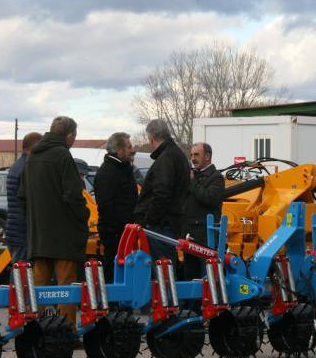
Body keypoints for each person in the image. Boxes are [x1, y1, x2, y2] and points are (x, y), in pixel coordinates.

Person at [19, 116, 89, 330]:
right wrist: (83, 214)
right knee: (65, 286)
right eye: (74, 138)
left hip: (38, 236)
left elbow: (22, 196)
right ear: (69, 136)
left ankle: (34, 327)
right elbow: (73, 194)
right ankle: (65, 330)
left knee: (39, 285)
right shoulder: (62, 155)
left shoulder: (31, 157)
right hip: (63, 237)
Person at [134, 119, 190, 263]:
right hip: (171, 221)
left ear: (151, 137)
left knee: (162, 270)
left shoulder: (165, 158)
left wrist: (150, 221)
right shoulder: (177, 155)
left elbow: (162, 193)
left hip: (161, 225)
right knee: (166, 268)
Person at [94, 132, 138, 278]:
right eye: (129, 146)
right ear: (119, 150)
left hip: (125, 231)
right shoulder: (108, 172)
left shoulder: (123, 169)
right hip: (115, 234)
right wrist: (118, 228)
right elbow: (106, 205)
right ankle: (112, 301)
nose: (133, 150)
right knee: (114, 273)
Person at [182, 142, 224, 279]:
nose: (193, 158)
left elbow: (210, 199)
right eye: (191, 155)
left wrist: (193, 183)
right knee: (190, 274)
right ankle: (192, 301)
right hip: (190, 235)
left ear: (207, 156)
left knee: (206, 277)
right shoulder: (192, 175)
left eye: (196, 155)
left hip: (206, 237)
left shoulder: (216, 177)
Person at [5, 131, 41, 262]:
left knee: (18, 269)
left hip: (14, 227)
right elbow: (27, 200)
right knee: (22, 272)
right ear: (35, 147)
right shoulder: (28, 167)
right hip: (23, 230)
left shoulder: (17, 166)